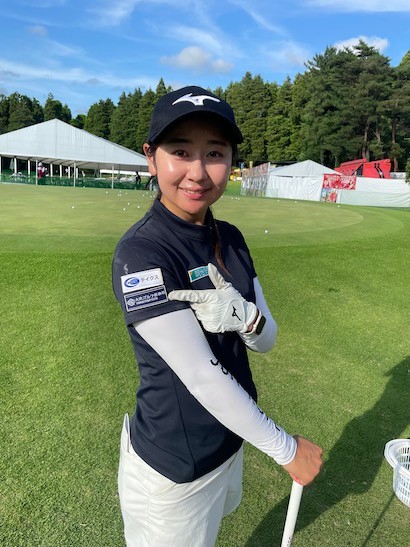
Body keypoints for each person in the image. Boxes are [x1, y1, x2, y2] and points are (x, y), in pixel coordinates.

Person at [112, 86, 323, 547]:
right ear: (151, 158)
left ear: (231, 161)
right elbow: (200, 376)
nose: (198, 172)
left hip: (229, 443)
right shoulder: (141, 253)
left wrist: (246, 318)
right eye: (180, 151)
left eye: (214, 153)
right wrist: (287, 449)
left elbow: (266, 340)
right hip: (174, 467)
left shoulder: (230, 238)